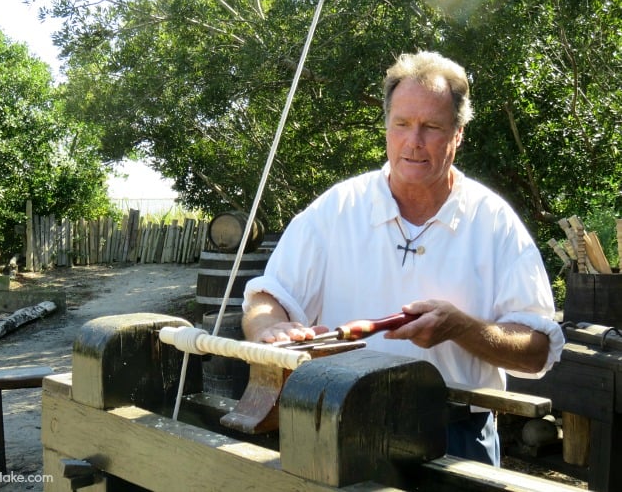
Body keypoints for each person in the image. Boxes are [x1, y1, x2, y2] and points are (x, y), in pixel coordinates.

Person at [241, 51, 565, 467]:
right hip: (338, 427)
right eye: (402, 125)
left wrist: (462, 329)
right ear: (387, 128)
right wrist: (270, 330)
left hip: (454, 435)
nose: (414, 142)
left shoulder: (493, 222)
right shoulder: (337, 208)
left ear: (458, 134)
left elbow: (536, 350)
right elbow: (266, 299)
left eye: (431, 127)